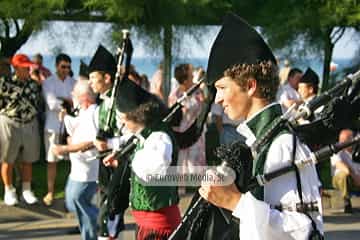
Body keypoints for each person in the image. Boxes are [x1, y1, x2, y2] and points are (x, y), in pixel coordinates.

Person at [198, 13, 323, 239]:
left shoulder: (281, 144)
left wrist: (235, 201)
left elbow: (305, 229)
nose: (217, 99)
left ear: (250, 85)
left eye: (222, 87)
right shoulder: (260, 140)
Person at [103, 79, 181, 240]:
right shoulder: (146, 132)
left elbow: (155, 169)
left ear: (135, 116)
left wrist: (126, 162)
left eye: (124, 120)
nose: (123, 126)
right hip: (146, 224)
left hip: (158, 227)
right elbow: (130, 139)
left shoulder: (159, 137)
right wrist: (116, 150)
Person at [52, 80, 99, 239]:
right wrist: (66, 118)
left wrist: (64, 148)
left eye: (74, 93)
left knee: (79, 202)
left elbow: (91, 142)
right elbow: (77, 125)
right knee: (72, 202)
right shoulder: (84, 111)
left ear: (84, 97)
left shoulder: (93, 113)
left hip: (87, 172)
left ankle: (99, 223)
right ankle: (98, 220)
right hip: (77, 170)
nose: (71, 95)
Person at [87, 45, 124, 240]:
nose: (91, 82)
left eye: (94, 77)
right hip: (105, 166)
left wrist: (109, 145)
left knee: (110, 216)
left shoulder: (119, 103)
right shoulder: (102, 104)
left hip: (116, 165)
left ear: (107, 78)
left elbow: (131, 136)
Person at [0, 54, 42, 206]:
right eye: (24, 67)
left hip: (30, 123)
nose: (27, 69)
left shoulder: (33, 84)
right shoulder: (5, 83)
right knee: (7, 159)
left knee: (28, 159)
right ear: (16, 67)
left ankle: (26, 190)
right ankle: (9, 190)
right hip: (10, 122)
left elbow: (37, 101)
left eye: (28, 67)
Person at [42, 53, 76, 206]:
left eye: (68, 67)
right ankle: (50, 192)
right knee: (52, 161)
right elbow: (51, 103)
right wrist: (66, 101)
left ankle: (71, 192)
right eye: (63, 66)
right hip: (53, 126)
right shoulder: (48, 82)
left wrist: (65, 100)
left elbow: (77, 102)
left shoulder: (73, 82)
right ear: (56, 66)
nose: (66, 70)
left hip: (71, 128)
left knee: (73, 162)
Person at [168, 63, 206, 193]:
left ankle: (200, 188)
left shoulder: (197, 91)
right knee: (182, 159)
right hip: (181, 131)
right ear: (184, 80)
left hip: (196, 130)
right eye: (190, 76)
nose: (192, 77)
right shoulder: (175, 95)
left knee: (197, 159)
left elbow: (203, 104)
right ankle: (181, 188)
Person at [331, 129, 360, 213]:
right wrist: (355, 175)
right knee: (344, 174)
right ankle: (346, 201)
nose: (342, 142)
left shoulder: (356, 151)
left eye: (345, 140)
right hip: (341, 180)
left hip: (357, 179)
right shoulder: (336, 151)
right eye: (341, 140)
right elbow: (341, 166)